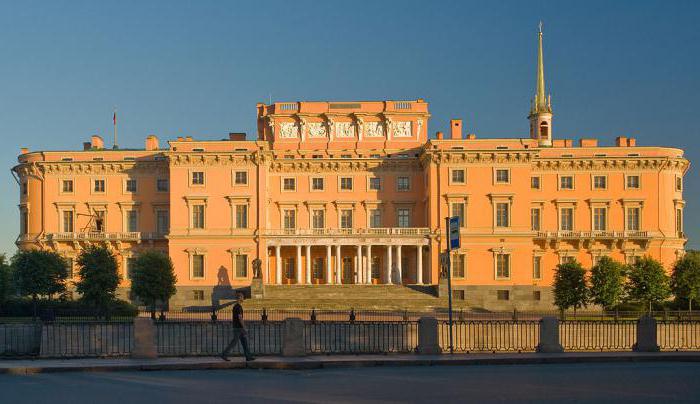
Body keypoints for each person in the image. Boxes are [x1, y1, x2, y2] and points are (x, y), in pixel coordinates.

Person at [221, 292, 255, 361]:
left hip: (237, 327)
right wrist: (244, 327)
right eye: (242, 297)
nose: (243, 298)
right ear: (239, 298)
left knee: (244, 342)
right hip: (238, 328)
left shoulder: (235, 306)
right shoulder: (238, 307)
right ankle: (224, 354)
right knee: (234, 342)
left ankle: (248, 357)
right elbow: (240, 318)